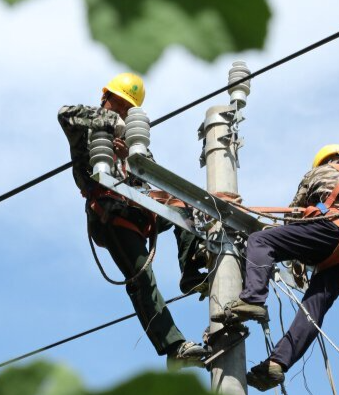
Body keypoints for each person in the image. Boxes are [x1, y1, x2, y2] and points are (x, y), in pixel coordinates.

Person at [213, 144, 339, 391]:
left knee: (261, 240)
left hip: (330, 229)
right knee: (315, 306)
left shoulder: (318, 174)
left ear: (323, 161)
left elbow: (292, 217)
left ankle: (252, 299)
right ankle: (277, 364)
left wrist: (297, 260)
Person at [57, 73, 208, 367]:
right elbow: (65, 115)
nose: (123, 112)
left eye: (129, 109)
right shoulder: (87, 127)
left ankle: (192, 268)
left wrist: (134, 158)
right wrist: (113, 124)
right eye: (120, 104)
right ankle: (174, 349)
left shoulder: (135, 142)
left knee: (186, 206)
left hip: (139, 210)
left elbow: (153, 179)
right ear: (106, 99)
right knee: (142, 277)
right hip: (110, 213)